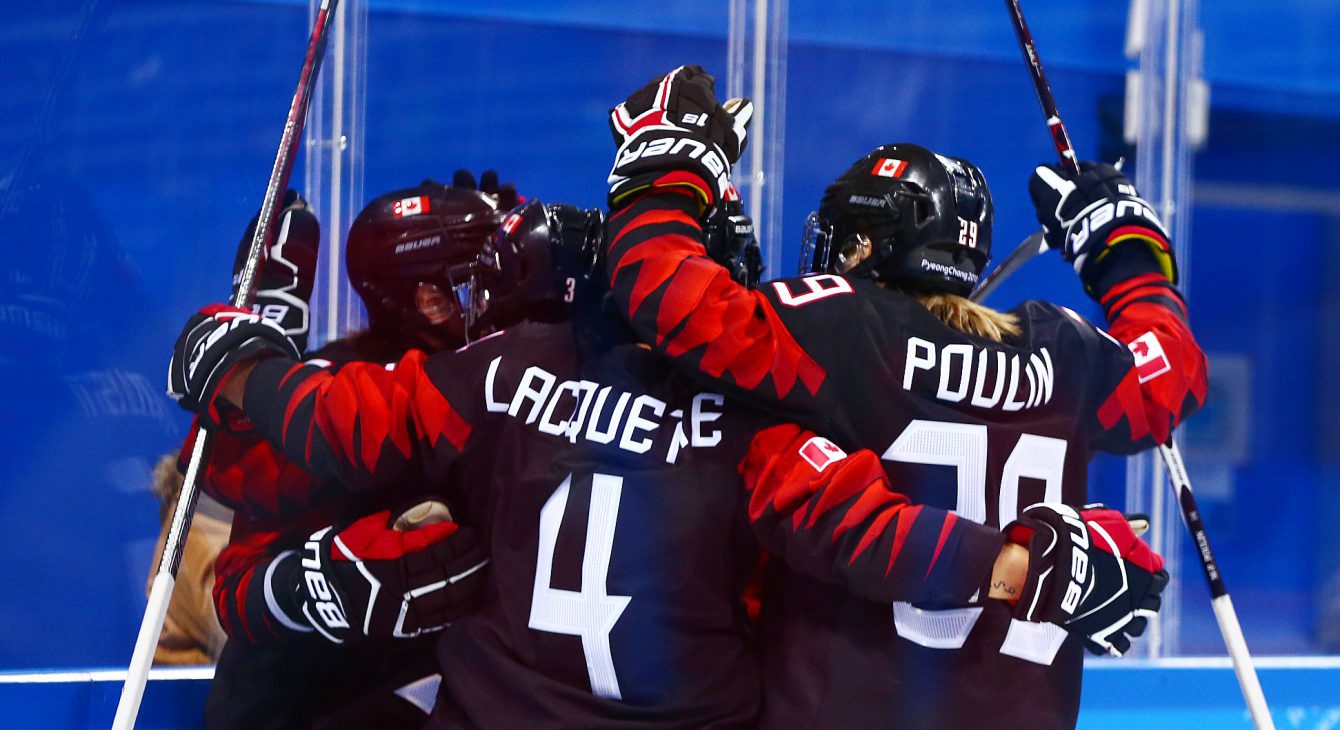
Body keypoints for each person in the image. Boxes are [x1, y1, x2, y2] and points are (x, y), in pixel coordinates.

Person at [167, 189, 1161, 729]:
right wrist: (1127, 255)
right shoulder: (762, 407)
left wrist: (251, 354)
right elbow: (845, 524)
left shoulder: (496, 375)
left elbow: (277, 458)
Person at [601, 65, 1206, 729]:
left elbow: (671, 301)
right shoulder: (1063, 351)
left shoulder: (839, 327)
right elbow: (1169, 379)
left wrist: (667, 168)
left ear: (865, 244)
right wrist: (1128, 255)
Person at [193, 176, 507, 729]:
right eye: (483, 277)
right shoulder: (346, 390)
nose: (506, 290)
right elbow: (234, 573)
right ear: (430, 301)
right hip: (307, 702)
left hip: (427, 693)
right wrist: (313, 589)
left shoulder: (511, 376)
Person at [147, 449, 231, 665]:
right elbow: (229, 624)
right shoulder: (196, 533)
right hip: (195, 687)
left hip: (193, 680)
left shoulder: (194, 525)